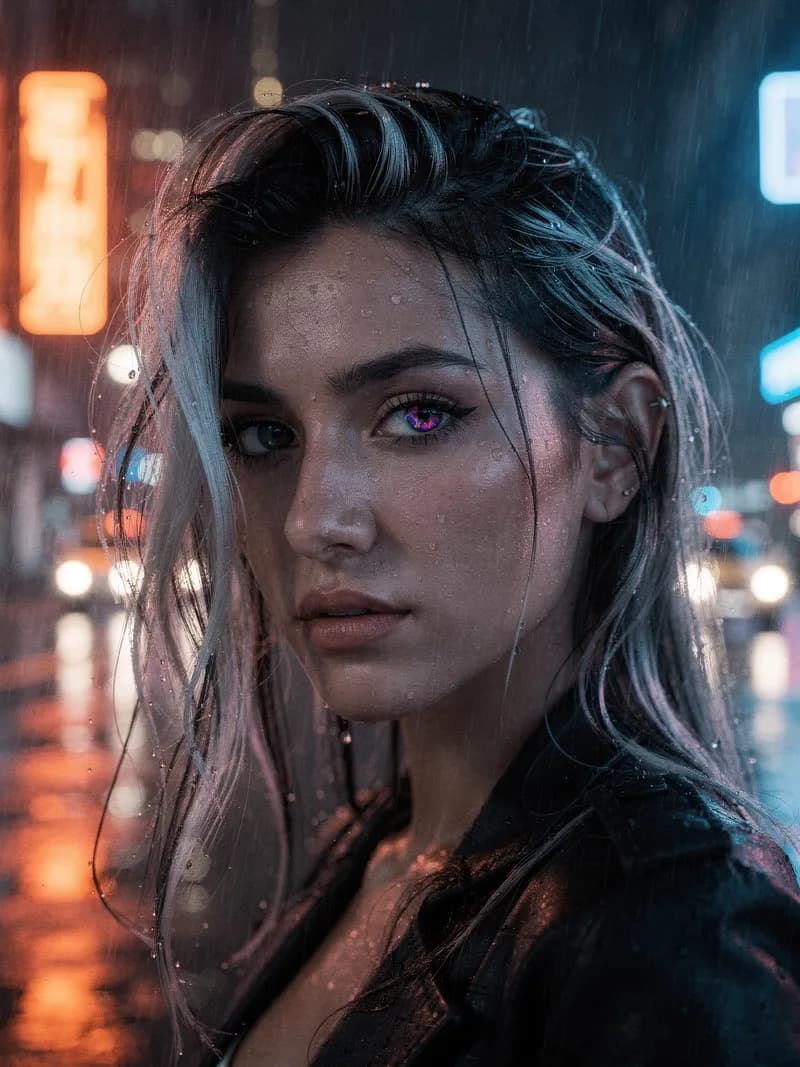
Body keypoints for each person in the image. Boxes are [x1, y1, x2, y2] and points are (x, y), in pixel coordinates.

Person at [96, 82, 800, 1066]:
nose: (313, 518)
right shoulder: (394, 847)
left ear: (613, 446)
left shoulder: (675, 942)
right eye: (261, 434)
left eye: (417, 413)